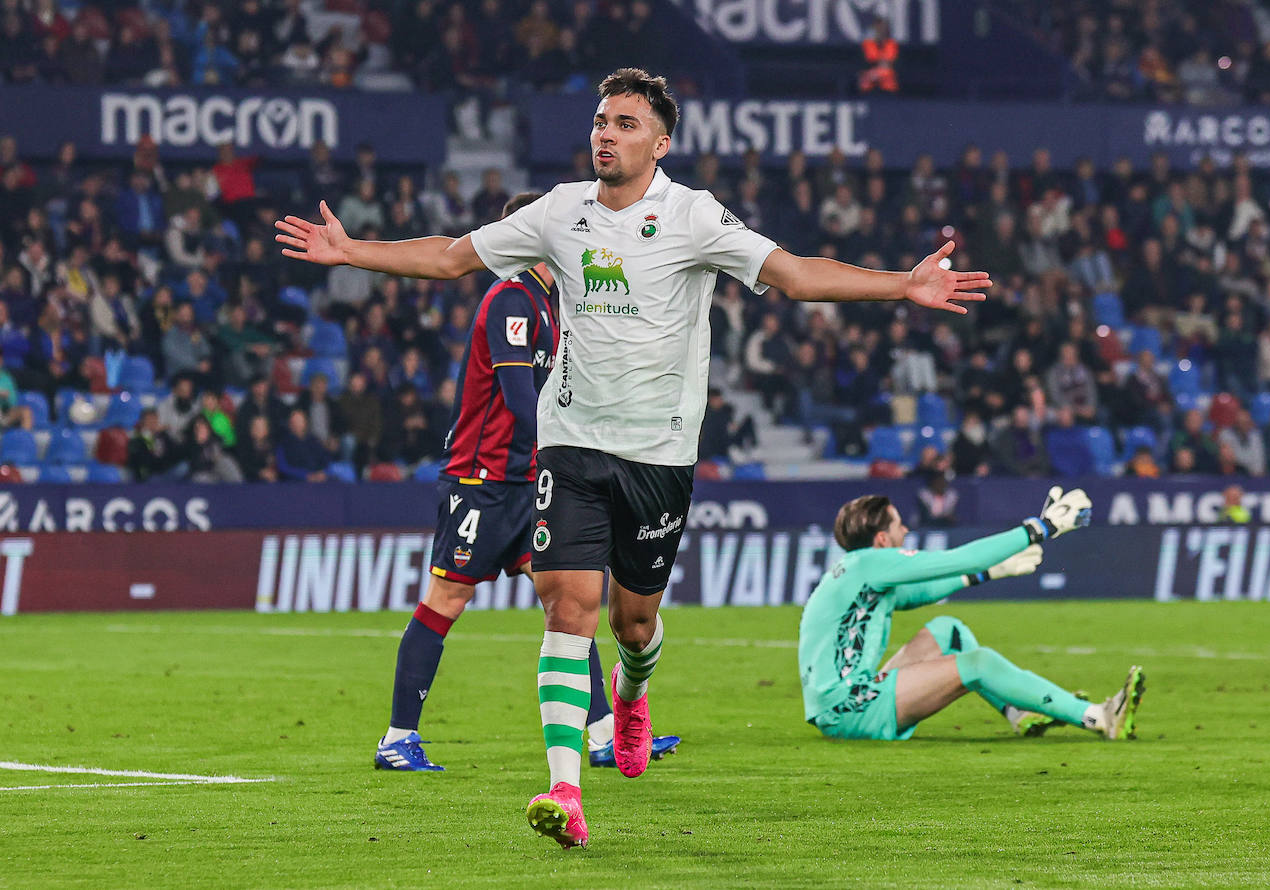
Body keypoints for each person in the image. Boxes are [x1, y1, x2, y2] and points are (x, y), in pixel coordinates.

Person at [276, 68, 988, 850]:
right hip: (572, 443)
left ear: (660, 142)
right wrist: (351, 253)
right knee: (564, 605)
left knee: (633, 622)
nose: (605, 134)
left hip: (658, 457)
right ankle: (565, 790)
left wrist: (902, 287)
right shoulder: (558, 213)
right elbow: (451, 257)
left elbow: (793, 276)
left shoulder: (693, 216)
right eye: (599, 121)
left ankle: (634, 691)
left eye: (623, 123)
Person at [375, 192, 679, 775]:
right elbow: (519, 402)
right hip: (483, 483)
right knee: (447, 600)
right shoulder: (510, 301)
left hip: (527, 482)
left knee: (572, 600)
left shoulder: (552, 309)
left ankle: (600, 735)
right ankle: (397, 737)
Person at [799, 491, 1145, 745]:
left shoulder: (856, 571)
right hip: (849, 707)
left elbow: (918, 594)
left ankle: (1019, 711)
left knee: (948, 631)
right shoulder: (873, 562)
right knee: (978, 664)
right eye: (899, 524)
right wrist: (1040, 528)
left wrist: (989, 573)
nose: (905, 530)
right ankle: (1097, 717)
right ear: (882, 539)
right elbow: (958, 559)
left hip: (842, 703)